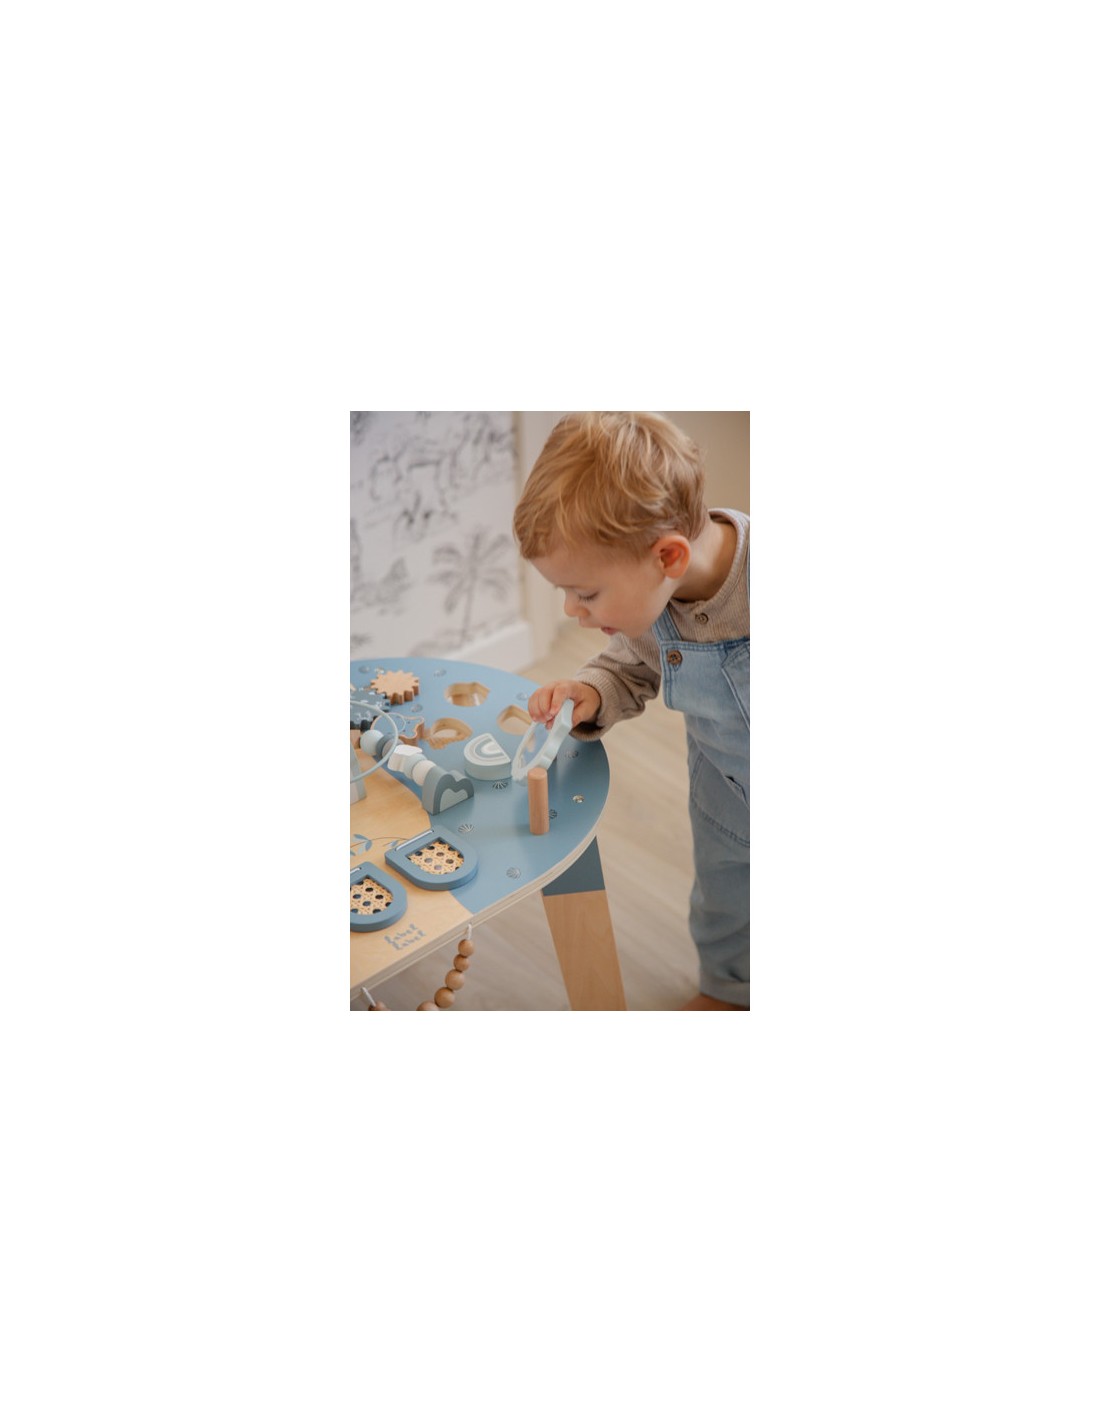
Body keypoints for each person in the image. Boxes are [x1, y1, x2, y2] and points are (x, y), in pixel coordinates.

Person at [513, 412, 749, 1010]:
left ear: (667, 557)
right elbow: (630, 664)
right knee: (725, 904)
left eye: (586, 593)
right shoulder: (656, 598)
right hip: (727, 802)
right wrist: (590, 692)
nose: (572, 611)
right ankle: (729, 991)